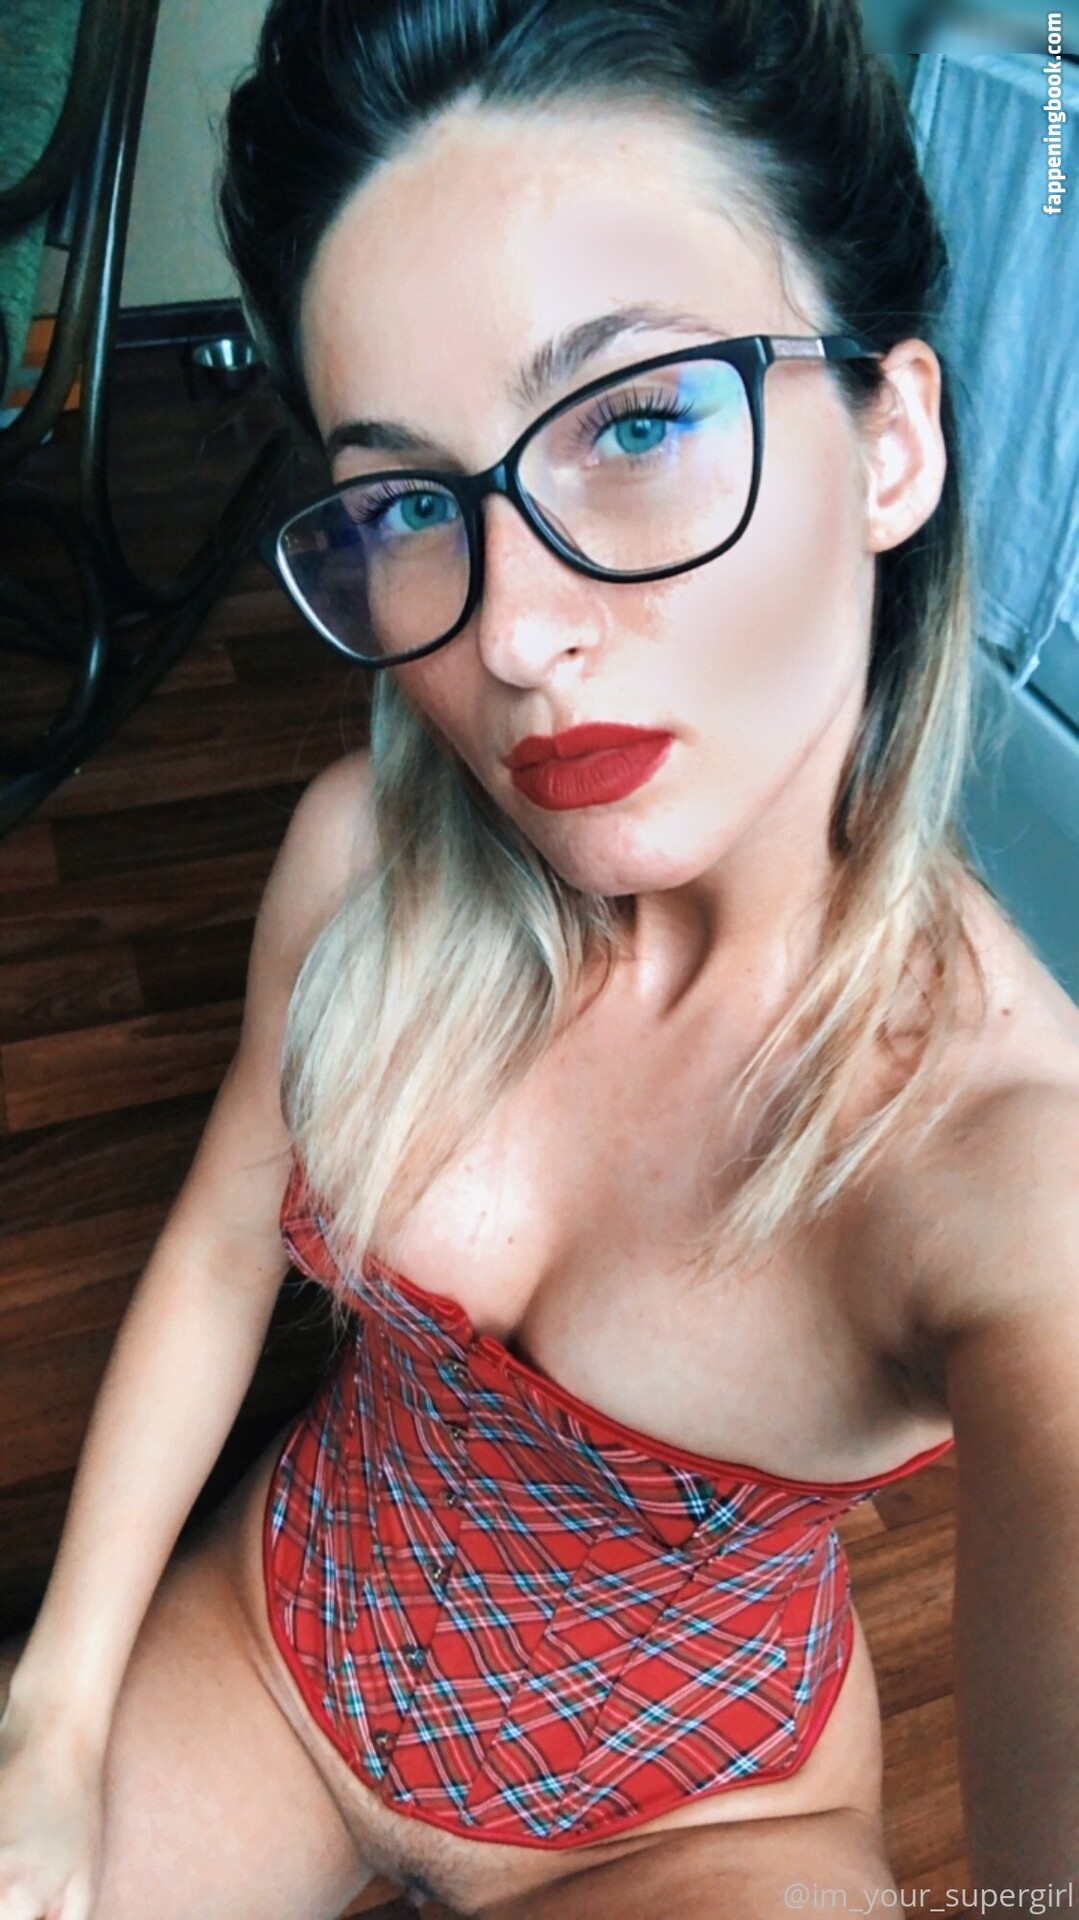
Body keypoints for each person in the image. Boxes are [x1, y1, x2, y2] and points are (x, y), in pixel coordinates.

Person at [2, 0, 1078, 1914]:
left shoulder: (1012, 1164)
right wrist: (55, 1712)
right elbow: (220, 1242)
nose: (511, 634)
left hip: (705, 1823)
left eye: (638, 422)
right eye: (412, 502)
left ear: (891, 440)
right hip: (288, 1643)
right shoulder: (363, 860)